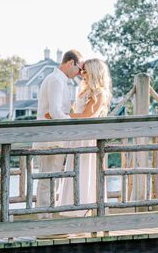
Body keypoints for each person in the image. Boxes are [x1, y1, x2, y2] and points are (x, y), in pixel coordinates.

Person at [34, 49, 83, 211]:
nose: (79, 73)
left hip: (56, 137)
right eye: (79, 68)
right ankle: (44, 218)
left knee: (52, 180)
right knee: (46, 180)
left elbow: (57, 112)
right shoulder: (55, 79)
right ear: (71, 63)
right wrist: (72, 121)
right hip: (50, 138)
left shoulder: (60, 80)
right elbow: (55, 111)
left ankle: (49, 215)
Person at [65, 59, 112, 211]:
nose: (82, 74)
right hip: (77, 137)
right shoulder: (84, 90)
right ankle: (71, 211)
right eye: (83, 71)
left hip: (87, 139)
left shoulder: (100, 93)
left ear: (94, 72)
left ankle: (85, 211)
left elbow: (86, 115)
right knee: (74, 172)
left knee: (85, 174)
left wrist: (60, 116)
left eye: (86, 72)